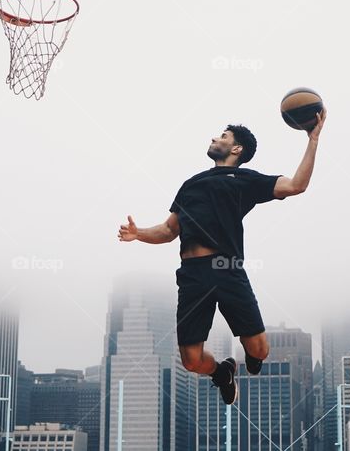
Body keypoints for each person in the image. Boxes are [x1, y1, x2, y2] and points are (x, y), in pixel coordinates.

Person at [117, 110, 325, 404]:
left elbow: (296, 185)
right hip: (192, 275)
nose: (216, 138)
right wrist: (139, 234)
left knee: (260, 351)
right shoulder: (191, 184)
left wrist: (312, 139)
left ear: (236, 149)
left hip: (227, 270)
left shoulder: (244, 179)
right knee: (191, 361)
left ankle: (252, 357)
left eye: (223, 136)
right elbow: (168, 230)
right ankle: (222, 371)